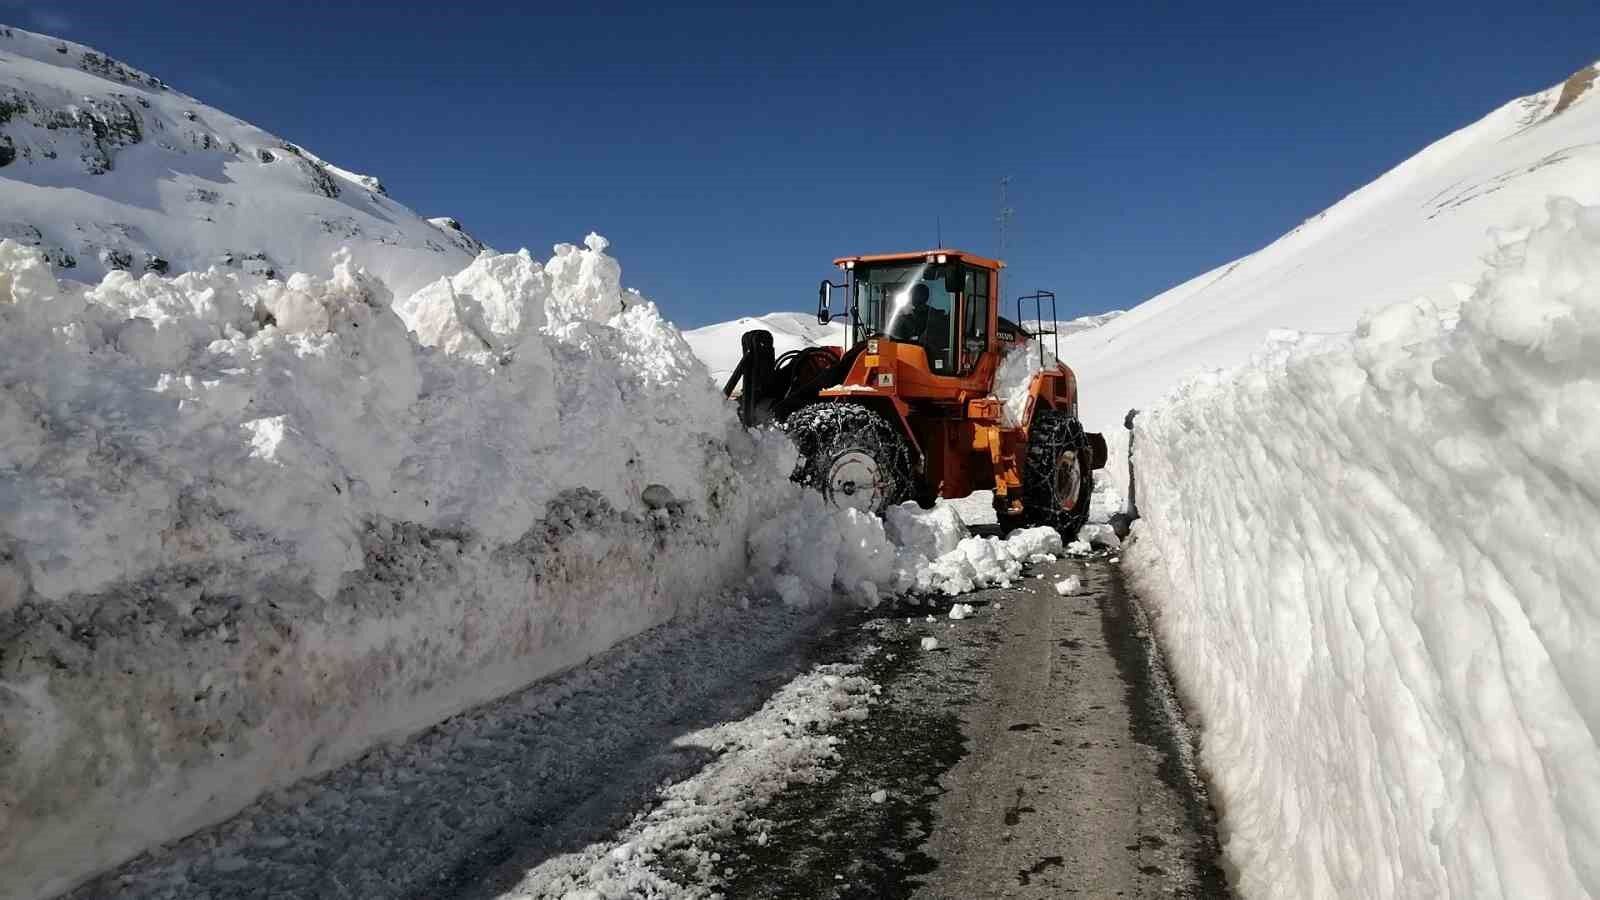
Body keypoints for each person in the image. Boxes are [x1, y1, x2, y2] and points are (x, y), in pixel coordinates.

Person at [887, 283, 948, 351]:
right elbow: (895, 340)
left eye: (914, 294)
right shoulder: (905, 317)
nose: (912, 297)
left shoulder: (935, 316)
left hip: (927, 352)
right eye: (912, 295)